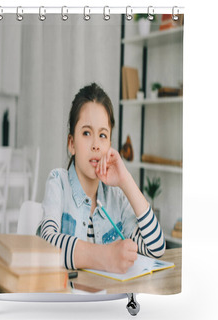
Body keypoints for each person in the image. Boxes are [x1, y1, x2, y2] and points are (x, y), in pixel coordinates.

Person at [40, 83, 165, 273]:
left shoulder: (117, 197)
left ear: (110, 146)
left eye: (103, 135)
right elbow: (46, 245)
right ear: (71, 143)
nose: (96, 145)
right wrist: (104, 256)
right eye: (87, 133)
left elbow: (156, 249)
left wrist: (126, 180)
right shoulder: (58, 182)